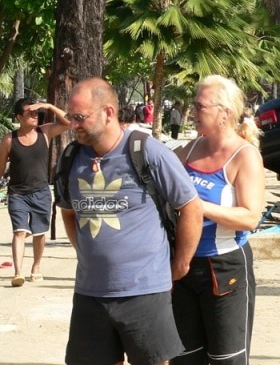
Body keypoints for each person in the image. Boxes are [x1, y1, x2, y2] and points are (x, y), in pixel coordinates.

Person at [55, 77, 203, 365]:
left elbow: (191, 208)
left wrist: (181, 264)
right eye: (70, 117)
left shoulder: (147, 152)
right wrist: (88, 254)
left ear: (108, 113)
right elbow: (69, 211)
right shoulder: (71, 158)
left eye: (80, 117)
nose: (73, 125)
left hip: (144, 292)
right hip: (90, 293)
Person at [171, 75, 266, 365]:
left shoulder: (244, 155)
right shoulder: (188, 150)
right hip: (183, 266)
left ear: (224, 113)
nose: (193, 111)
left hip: (224, 267)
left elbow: (250, 217)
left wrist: (199, 208)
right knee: (184, 358)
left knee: (226, 359)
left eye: (200, 106)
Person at [0, 98, 70, 286]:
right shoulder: (9, 140)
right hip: (17, 194)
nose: (34, 115)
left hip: (41, 192)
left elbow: (69, 122)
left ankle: (36, 268)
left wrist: (49, 106)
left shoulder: (44, 132)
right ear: (19, 117)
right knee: (19, 231)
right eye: (30, 113)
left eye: (36, 112)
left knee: (39, 233)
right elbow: (0, 167)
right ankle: (18, 273)